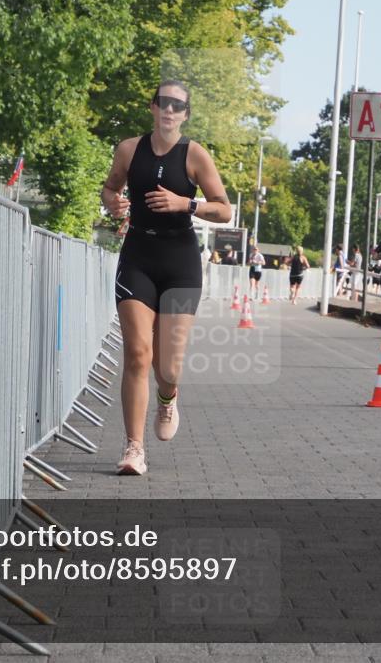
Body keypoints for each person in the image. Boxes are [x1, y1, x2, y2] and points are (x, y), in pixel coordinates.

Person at [100, 80, 232, 475]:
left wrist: (186, 203)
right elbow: (109, 189)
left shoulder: (194, 155)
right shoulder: (129, 149)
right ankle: (133, 448)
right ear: (153, 107)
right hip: (138, 256)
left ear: (185, 114)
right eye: (164, 103)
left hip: (180, 262)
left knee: (168, 366)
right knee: (138, 353)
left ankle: (168, 395)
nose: (170, 110)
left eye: (178, 105)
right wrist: (114, 203)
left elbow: (224, 210)